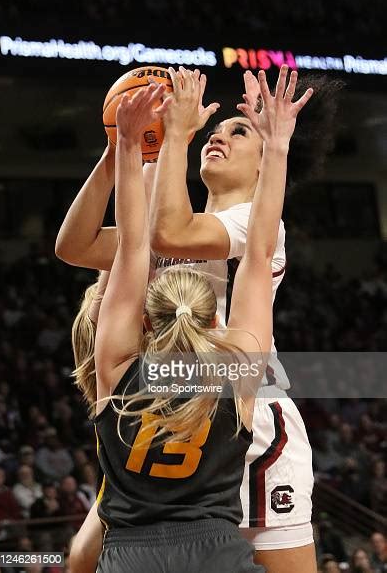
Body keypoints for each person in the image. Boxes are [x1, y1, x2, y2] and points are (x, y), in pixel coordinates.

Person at [56, 66, 340, 573]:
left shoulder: (257, 222)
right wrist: (118, 146)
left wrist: (174, 138)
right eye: (215, 130)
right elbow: (74, 246)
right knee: (81, 557)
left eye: (238, 131)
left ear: (265, 164)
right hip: (168, 411)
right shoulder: (176, 224)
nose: (219, 136)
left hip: (246, 424)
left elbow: (168, 231)